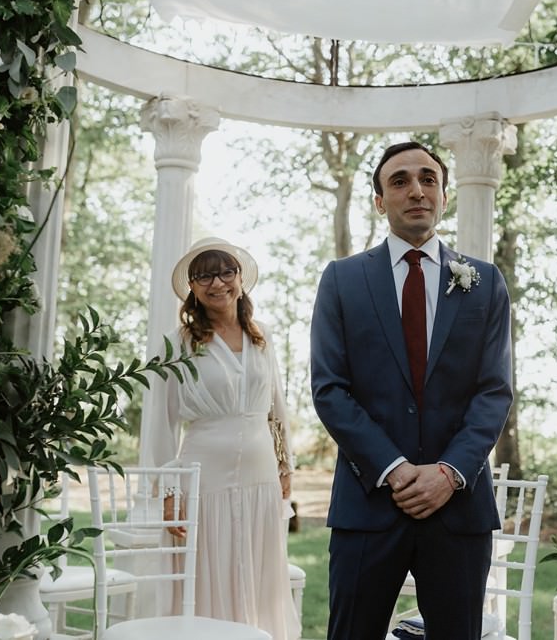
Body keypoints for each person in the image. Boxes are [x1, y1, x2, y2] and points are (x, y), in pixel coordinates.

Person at [310, 141, 514, 640]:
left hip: (458, 508)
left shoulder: (485, 282)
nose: (416, 190)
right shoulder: (342, 279)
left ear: (445, 195)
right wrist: (395, 469)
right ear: (379, 201)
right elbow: (330, 389)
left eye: (428, 179)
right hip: (368, 504)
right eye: (399, 181)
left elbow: (495, 392)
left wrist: (449, 473)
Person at [140, 236, 301, 640]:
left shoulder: (261, 336)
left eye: (226, 272)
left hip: (261, 475)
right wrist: (168, 490)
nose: (217, 283)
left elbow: (276, 407)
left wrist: (285, 465)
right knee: (204, 569)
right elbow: (162, 421)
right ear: (192, 287)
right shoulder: (176, 343)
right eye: (204, 275)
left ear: (240, 279)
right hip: (202, 477)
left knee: (258, 569)